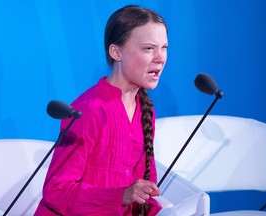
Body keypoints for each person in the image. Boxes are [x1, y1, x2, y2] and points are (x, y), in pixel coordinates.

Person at [34, 4, 168, 215]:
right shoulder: (88, 110)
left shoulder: (146, 111)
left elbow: (142, 191)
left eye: (164, 47)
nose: (160, 57)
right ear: (116, 52)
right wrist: (121, 195)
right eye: (149, 48)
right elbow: (56, 191)